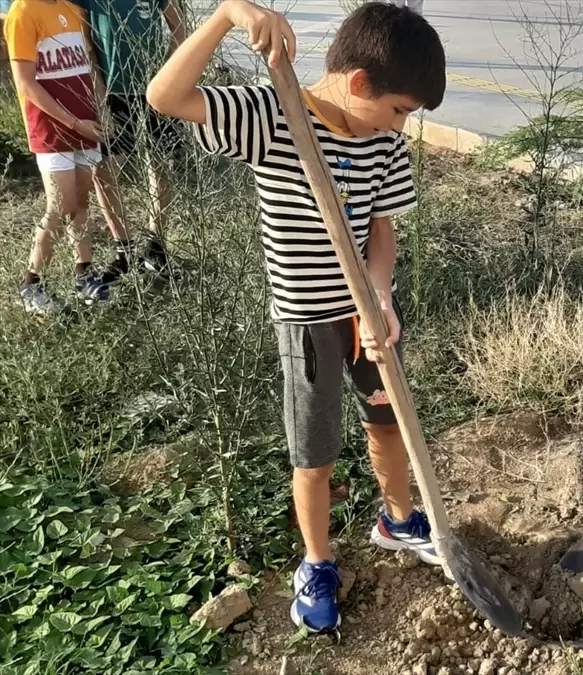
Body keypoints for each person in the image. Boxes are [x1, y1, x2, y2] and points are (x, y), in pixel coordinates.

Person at [146, 0, 445, 633]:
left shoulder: (384, 145)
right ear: (361, 82)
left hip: (369, 318)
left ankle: (397, 519)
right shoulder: (270, 113)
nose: (398, 128)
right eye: (397, 111)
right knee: (313, 457)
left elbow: (383, 230)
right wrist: (228, 13)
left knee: (389, 422)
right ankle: (317, 561)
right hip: (305, 321)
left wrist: (381, 298)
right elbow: (165, 96)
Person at [5, 0, 112, 315]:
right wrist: (75, 123)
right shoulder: (23, 11)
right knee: (60, 207)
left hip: (86, 124)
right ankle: (31, 283)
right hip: (51, 130)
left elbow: (89, 65)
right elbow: (26, 82)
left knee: (80, 203)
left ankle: (84, 274)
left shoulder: (73, 9)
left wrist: (101, 107)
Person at [82, 0, 186, 282]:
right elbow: (84, 38)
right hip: (112, 92)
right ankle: (124, 250)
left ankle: (155, 246)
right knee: (103, 170)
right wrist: (97, 87)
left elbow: (179, 28)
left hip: (155, 89)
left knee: (162, 164)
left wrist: (169, 73)